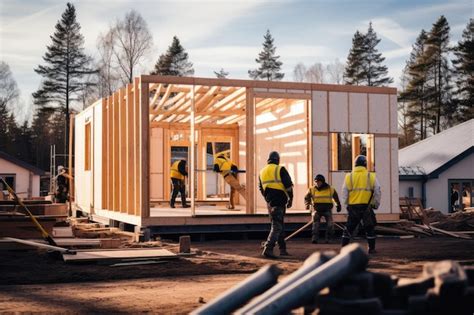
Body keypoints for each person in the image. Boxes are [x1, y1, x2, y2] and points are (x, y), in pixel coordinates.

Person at [341, 155, 381, 254]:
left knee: (349, 228)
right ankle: (371, 249)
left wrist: (346, 204)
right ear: (365, 164)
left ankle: (343, 248)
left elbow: (344, 191)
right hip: (366, 206)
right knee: (369, 228)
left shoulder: (349, 176)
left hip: (353, 206)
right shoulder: (370, 176)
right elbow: (377, 191)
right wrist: (376, 204)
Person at [259, 151, 294, 258]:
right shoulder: (280, 169)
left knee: (279, 225)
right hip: (279, 201)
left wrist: (267, 199)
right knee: (277, 226)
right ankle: (268, 248)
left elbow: (261, 188)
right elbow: (288, 186)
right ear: (278, 160)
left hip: (270, 201)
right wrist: (291, 198)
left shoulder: (262, 171)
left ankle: (282, 249)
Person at [304, 174, 342, 244]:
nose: (317, 183)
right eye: (316, 182)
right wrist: (307, 204)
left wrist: (338, 206)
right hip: (316, 210)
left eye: (318, 182)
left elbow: (336, 198)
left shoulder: (331, 189)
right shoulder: (311, 189)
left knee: (330, 225)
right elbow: (307, 198)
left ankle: (329, 239)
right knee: (315, 225)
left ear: (323, 182)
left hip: (327, 210)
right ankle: (314, 238)